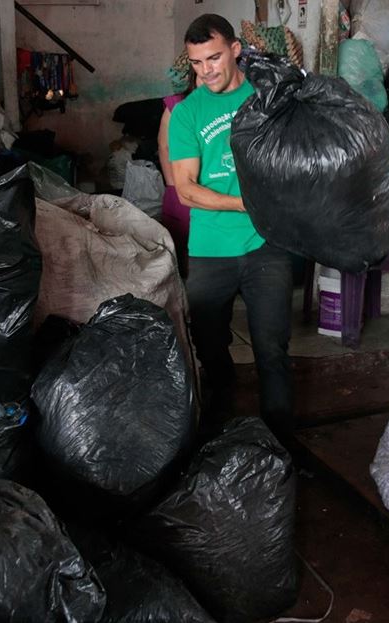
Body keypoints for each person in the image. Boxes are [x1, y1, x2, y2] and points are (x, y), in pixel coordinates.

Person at [168, 14, 294, 442]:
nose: (207, 71)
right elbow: (186, 189)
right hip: (210, 249)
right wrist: (247, 203)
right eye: (197, 62)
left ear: (236, 49)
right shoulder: (188, 113)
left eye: (215, 58)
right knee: (209, 347)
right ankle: (218, 435)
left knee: (272, 350)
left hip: (267, 246)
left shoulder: (267, 97)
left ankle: (279, 444)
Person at [158, 72, 199, 278]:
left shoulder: (226, 105)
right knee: (182, 243)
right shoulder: (177, 104)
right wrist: (172, 183)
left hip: (209, 186)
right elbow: (164, 145)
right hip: (180, 186)